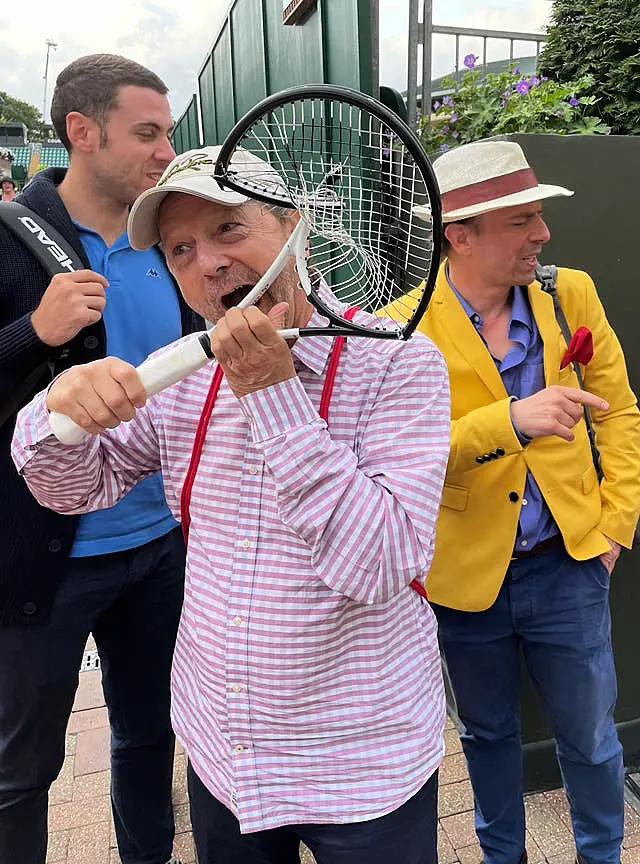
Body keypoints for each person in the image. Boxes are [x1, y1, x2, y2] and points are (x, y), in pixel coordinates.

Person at [12, 145, 451, 864]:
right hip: (227, 754)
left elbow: (379, 565)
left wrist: (274, 394)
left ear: (294, 228)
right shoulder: (183, 379)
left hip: (362, 764)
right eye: (180, 249)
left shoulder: (397, 363)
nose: (207, 262)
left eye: (229, 230)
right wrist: (54, 415)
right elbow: (74, 488)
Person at [409, 140, 640, 864]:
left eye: (539, 217)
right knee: (485, 736)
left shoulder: (569, 293)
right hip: (466, 580)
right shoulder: (401, 328)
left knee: (593, 738)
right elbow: (402, 458)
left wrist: (614, 527)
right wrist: (507, 421)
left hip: (569, 563)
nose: (541, 233)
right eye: (522, 221)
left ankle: (602, 856)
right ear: (461, 235)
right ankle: (499, 857)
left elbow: (620, 411)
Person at [0, 55, 202, 864]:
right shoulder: (12, 241)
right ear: (81, 133)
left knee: (150, 741)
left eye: (169, 133)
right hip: (46, 561)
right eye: (147, 133)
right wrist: (32, 336)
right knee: (20, 772)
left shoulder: (174, 241)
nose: (165, 152)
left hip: (163, 548)